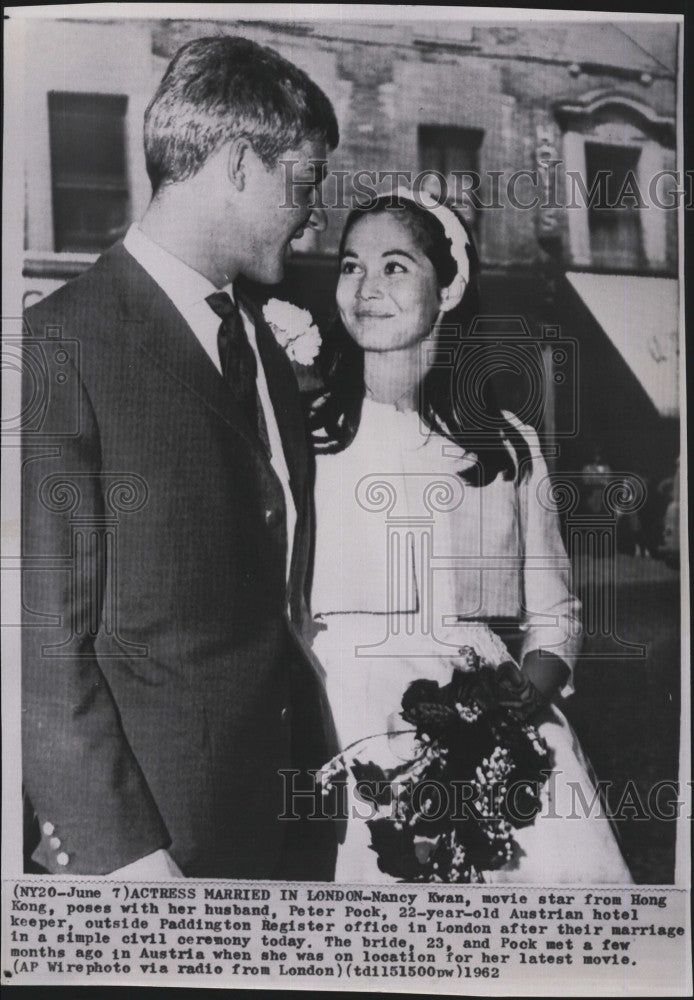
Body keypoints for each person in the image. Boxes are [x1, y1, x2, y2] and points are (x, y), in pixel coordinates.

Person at [21, 35, 339, 880]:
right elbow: (42, 643)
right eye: (303, 183)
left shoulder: (262, 344)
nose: (315, 214)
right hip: (160, 852)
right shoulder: (61, 345)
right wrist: (125, 856)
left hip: (290, 829)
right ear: (238, 164)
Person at [309, 191, 632, 883]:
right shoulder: (306, 432)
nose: (366, 289)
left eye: (396, 267)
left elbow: (555, 617)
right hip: (337, 723)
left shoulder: (506, 444)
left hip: (484, 729)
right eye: (349, 265)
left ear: (448, 286)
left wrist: (526, 700)